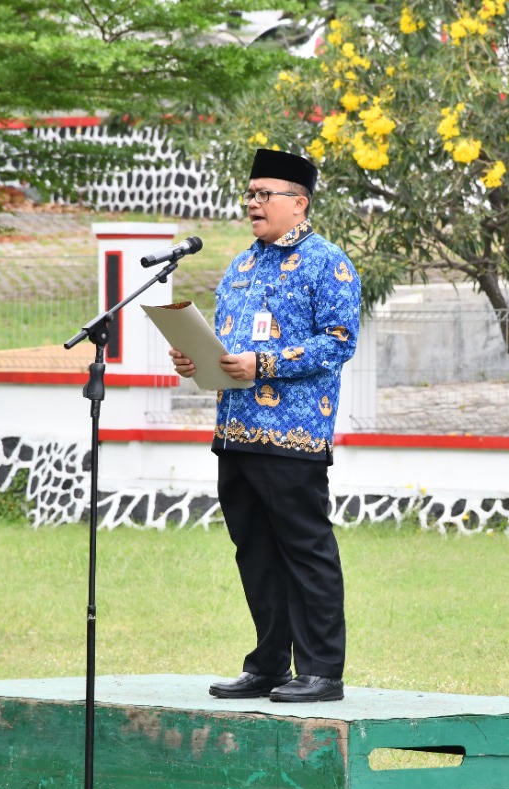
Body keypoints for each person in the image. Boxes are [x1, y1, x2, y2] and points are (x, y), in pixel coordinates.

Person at [170, 148, 360, 703]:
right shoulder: (243, 265)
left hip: (293, 433)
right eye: (250, 194)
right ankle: (270, 663)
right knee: (253, 551)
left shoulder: (330, 263)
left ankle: (322, 670)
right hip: (236, 431)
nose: (253, 204)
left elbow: (339, 341)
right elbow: (231, 345)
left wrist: (267, 364)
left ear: (298, 204)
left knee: (305, 549)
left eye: (264, 195)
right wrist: (198, 358)